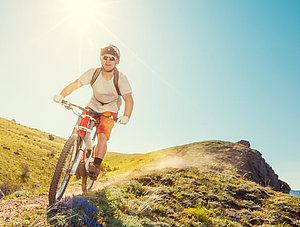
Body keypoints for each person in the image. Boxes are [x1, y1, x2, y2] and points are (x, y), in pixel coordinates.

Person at [54, 44, 134, 179]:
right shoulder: (93, 72)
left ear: (117, 61)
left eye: (112, 58)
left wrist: (126, 116)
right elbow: (76, 84)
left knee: (102, 135)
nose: (108, 61)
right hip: (93, 104)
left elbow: (129, 99)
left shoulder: (121, 78)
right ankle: (81, 156)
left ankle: (95, 166)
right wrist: (62, 96)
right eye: (105, 57)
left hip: (111, 108)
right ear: (101, 59)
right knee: (81, 129)